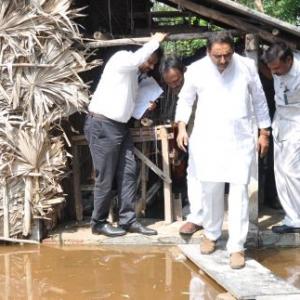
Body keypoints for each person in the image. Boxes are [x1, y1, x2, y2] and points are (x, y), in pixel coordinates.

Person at [175, 32, 271, 269]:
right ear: (208, 51)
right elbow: (185, 100)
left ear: (233, 50)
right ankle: (211, 233)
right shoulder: (196, 70)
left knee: (239, 191)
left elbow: (259, 99)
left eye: (227, 55)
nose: (223, 61)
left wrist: (264, 132)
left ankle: (237, 247)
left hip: (240, 138)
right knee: (210, 189)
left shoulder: (247, 66)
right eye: (217, 56)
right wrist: (181, 127)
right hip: (208, 138)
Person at [84, 32, 167, 237]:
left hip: (120, 127)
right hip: (103, 124)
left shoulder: (134, 76)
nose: (151, 67)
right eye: (150, 62)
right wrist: (154, 41)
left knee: (129, 171)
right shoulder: (122, 58)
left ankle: (128, 220)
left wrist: (147, 106)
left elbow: (131, 105)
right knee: (106, 176)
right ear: (143, 51)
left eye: (154, 64)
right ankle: (99, 222)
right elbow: (136, 59)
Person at [160, 56, 203, 236]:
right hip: (193, 132)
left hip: (211, 130)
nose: (174, 85)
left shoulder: (199, 79)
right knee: (194, 173)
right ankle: (197, 216)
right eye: (169, 83)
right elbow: (183, 108)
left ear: (184, 71)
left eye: (176, 80)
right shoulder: (177, 90)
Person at [262, 42, 300, 234]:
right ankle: (292, 218)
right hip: (280, 121)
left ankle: (298, 218)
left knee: (291, 171)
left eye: (277, 68)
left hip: (297, 122)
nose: (274, 73)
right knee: (281, 172)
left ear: (289, 60)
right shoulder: (276, 69)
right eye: (272, 69)